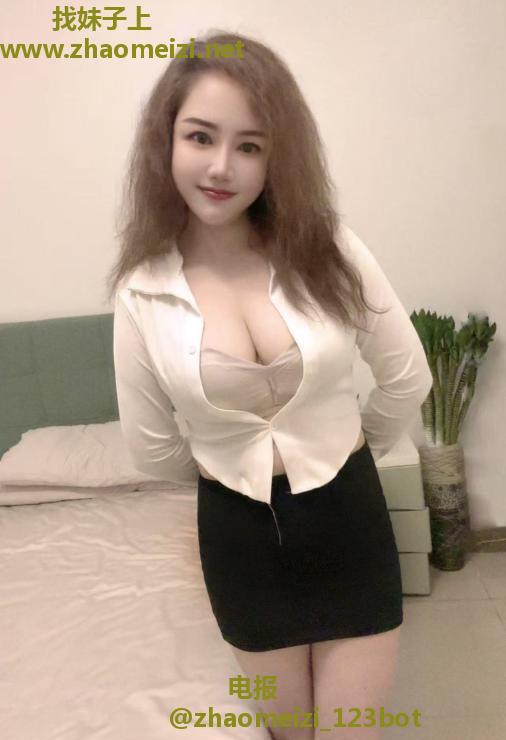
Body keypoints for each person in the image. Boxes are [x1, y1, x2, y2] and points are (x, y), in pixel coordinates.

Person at [108, 29, 433, 740]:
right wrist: (225, 465)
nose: (221, 166)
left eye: (250, 146)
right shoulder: (141, 293)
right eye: (200, 136)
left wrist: (350, 447)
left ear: (276, 156)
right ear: (166, 141)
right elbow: (151, 448)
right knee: (288, 732)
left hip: (349, 520)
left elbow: (408, 375)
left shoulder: (329, 248)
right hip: (239, 543)